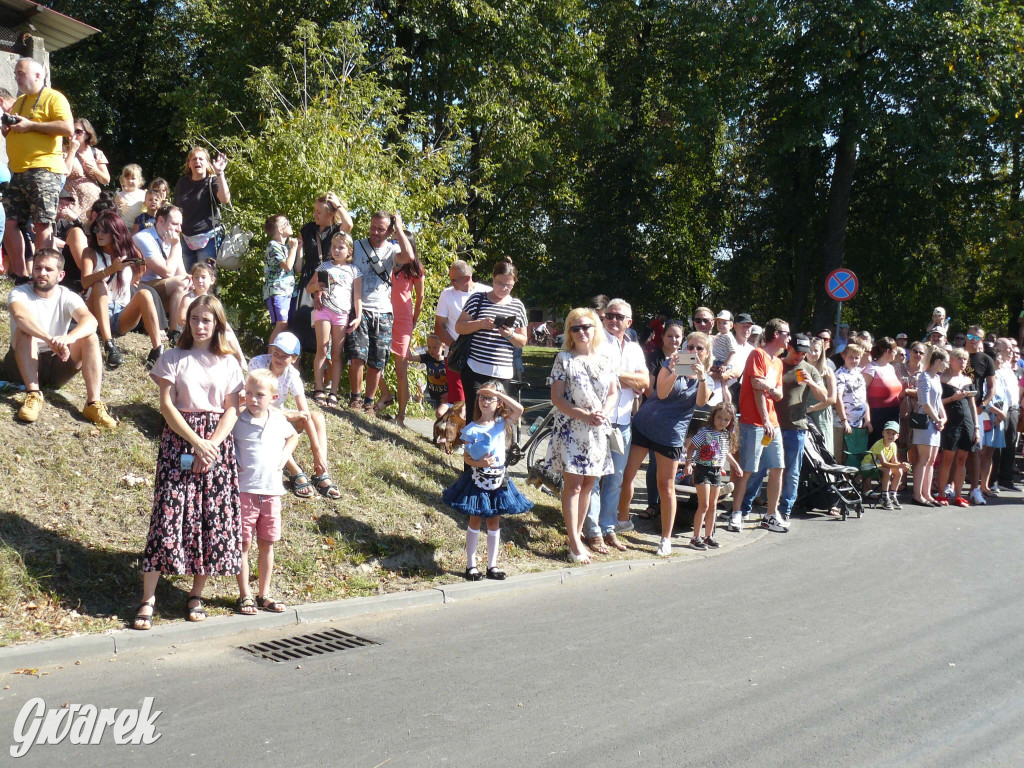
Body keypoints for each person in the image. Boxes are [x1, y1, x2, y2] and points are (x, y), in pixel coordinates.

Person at [133, 295, 245, 630]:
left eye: (206, 320)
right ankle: (147, 599)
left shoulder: (229, 363)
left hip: (216, 444)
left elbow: (232, 409)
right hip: (179, 440)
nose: (199, 326)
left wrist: (210, 445)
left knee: (209, 517)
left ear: (217, 324)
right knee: (167, 512)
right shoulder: (173, 357)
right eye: (195, 319)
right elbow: (167, 406)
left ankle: (196, 594)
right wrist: (195, 443)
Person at [617, 331, 711, 556]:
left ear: (706, 354)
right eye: (690, 347)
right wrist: (677, 370)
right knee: (627, 475)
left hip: (670, 435)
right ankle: (621, 520)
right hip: (645, 424)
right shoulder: (671, 363)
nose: (693, 352)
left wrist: (701, 377)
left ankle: (665, 539)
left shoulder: (705, 376)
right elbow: (662, 391)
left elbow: (701, 402)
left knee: (666, 486)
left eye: (699, 349)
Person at [1, 248, 116, 428]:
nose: (42, 273)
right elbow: (20, 317)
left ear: (61, 275)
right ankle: (33, 394)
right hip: (21, 364)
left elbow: (90, 321)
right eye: (38, 268)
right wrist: (49, 339)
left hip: (57, 363)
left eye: (48, 269)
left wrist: (68, 339)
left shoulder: (67, 296)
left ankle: (93, 403)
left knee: (90, 337)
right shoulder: (19, 292)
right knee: (25, 332)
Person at [541, 308, 618, 563]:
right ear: (569, 333)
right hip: (572, 429)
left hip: (597, 431)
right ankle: (574, 544)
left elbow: (613, 393)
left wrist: (604, 413)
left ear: (595, 328)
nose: (582, 332)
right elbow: (557, 398)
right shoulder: (564, 358)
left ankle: (576, 536)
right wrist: (585, 416)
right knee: (573, 486)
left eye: (586, 326)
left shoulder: (606, 358)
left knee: (588, 485)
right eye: (576, 328)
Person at [442, 382, 532, 580]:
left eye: (489, 398)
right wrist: (480, 462)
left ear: (498, 403)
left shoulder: (501, 424)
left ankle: (492, 565)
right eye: (482, 396)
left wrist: (498, 393)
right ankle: (471, 565)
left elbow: (519, 409)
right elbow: (466, 458)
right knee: (475, 519)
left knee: (494, 521)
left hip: (498, 480)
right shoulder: (472, 428)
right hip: (478, 479)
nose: (484, 400)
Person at [582, 299, 648, 554]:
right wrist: (628, 379)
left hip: (623, 423)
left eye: (619, 317)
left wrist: (616, 373)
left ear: (628, 322)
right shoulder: (596, 343)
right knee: (595, 476)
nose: (613, 320)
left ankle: (608, 528)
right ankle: (593, 531)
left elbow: (644, 381)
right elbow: (596, 372)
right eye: (609, 315)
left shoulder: (634, 349)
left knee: (615, 479)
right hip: (599, 420)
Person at [741, 333, 827, 526]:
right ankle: (744, 507)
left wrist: (811, 382)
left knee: (791, 471)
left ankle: (783, 510)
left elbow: (825, 397)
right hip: (771, 426)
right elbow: (760, 387)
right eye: (797, 352)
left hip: (796, 428)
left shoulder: (809, 369)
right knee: (759, 468)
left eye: (804, 353)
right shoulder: (777, 363)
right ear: (789, 347)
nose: (800, 357)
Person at [233, 369, 298, 615]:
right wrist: (234, 460)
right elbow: (226, 440)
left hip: (271, 492)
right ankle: (245, 595)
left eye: (259, 394)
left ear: (273, 396)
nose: (252, 399)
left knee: (267, 543)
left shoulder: (278, 419)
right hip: (245, 491)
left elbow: (292, 436)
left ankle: (264, 593)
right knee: (243, 543)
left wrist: (284, 457)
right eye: (248, 393)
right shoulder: (237, 419)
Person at [1, 58, 74, 279]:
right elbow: (17, 132)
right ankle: (21, 276)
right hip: (18, 171)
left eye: (20, 73)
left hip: (44, 170)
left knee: (43, 224)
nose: (16, 76)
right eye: (15, 73)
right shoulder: (21, 101)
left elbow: (68, 128)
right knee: (11, 222)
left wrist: (31, 125)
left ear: (38, 75)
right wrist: (7, 130)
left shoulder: (54, 97)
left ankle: (42, 277)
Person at [248, 332, 339, 501]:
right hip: (257, 413)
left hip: (279, 413)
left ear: (294, 358)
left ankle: (321, 470)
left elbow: (304, 413)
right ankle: (295, 472)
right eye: (276, 353)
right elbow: (251, 401)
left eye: (285, 356)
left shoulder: (292, 375)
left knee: (316, 416)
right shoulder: (258, 364)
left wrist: (316, 450)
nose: (278, 358)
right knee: (274, 424)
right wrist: (285, 413)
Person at [345, 211, 414, 412]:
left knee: (377, 360)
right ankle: (355, 399)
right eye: (373, 227)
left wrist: (399, 228)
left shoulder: (393, 250)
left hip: (384, 312)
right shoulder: (357, 246)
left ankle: (369, 402)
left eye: (381, 229)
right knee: (357, 355)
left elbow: (409, 256)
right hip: (359, 309)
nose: (375, 232)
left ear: (390, 231)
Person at [80, 209, 164, 370]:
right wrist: (112, 269)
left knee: (145, 294)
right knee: (99, 284)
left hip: (121, 313)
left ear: (116, 232)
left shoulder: (130, 253)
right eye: (97, 229)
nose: (99, 234)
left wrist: (132, 281)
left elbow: (141, 267)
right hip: (95, 311)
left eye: (105, 230)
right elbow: (85, 282)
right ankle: (109, 345)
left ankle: (157, 349)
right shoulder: (90, 252)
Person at [727, 319, 789, 534]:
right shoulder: (758, 355)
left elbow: (778, 394)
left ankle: (771, 515)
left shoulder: (779, 363)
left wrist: (768, 386)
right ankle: (736, 513)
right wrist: (764, 420)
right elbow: (755, 388)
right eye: (785, 333)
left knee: (778, 468)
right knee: (747, 470)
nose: (789, 338)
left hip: (773, 422)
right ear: (775, 334)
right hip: (754, 422)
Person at [454, 257, 528, 407]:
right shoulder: (478, 299)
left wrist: (511, 335)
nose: (503, 288)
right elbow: (459, 327)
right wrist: (480, 324)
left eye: (509, 285)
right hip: (475, 368)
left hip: (503, 372)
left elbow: (523, 341)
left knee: (498, 418)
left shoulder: (517, 306)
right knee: (474, 414)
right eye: (499, 283)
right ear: (493, 279)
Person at [306, 231, 362, 406]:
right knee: (322, 349)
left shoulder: (354, 270)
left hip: (342, 313)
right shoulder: (324, 266)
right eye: (334, 247)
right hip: (323, 310)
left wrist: (358, 316)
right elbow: (309, 288)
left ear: (349, 251)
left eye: (341, 247)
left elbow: (357, 297)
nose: (337, 250)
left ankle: (334, 392)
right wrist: (316, 287)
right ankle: (319, 388)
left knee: (337, 354)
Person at [377, 236, 425, 426]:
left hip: (404, 321)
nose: (395, 245)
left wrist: (413, 320)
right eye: (393, 241)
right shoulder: (384, 262)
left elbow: (420, 296)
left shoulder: (415, 269)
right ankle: (386, 395)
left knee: (401, 369)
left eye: (399, 242)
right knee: (373, 360)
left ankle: (401, 415)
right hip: (382, 315)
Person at [683, 402, 742, 550]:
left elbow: (726, 453)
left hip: (717, 472)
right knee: (704, 504)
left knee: (713, 505)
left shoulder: (726, 435)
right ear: (713, 417)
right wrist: (688, 463)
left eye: (726, 420)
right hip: (703, 469)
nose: (722, 422)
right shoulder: (705, 431)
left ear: (731, 422)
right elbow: (691, 447)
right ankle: (695, 537)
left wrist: (736, 466)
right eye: (719, 417)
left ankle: (708, 536)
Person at [434, 262, 489, 407]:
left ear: (467, 278)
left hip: (481, 355)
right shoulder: (447, 294)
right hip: (456, 357)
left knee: (482, 401)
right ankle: (458, 430)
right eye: (450, 279)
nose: (451, 283)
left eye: (454, 280)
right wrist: (455, 347)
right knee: (459, 403)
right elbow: (439, 327)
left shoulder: (486, 292)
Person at [133, 204, 191, 339]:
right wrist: (175, 245)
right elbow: (168, 272)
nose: (179, 229)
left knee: (192, 283)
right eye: (175, 224)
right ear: (160, 221)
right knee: (182, 283)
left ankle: (181, 331)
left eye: (180, 225)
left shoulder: (172, 238)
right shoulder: (144, 238)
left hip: (160, 285)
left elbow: (181, 273)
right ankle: (174, 330)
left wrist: (192, 281)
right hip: (142, 286)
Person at [177, 261, 247, 370]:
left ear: (212, 280)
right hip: (191, 332)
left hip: (210, 332)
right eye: (196, 277)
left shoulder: (212, 301)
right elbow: (181, 319)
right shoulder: (188, 297)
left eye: (203, 277)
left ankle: (240, 359)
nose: (199, 281)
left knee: (227, 330)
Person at [935, 348, 979, 507]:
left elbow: (972, 405)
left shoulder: (968, 380)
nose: (963, 362)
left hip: (967, 421)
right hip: (950, 421)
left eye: (965, 359)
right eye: (959, 358)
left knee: (962, 459)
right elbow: (937, 402)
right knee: (947, 459)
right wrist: (954, 398)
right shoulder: (942, 379)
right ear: (951, 360)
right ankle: (941, 494)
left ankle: (959, 495)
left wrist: (977, 426)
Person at [175, 147, 231, 271]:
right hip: (185, 239)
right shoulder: (182, 183)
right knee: (188, 279)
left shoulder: (213, 181)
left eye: (201, 159)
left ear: (207, 163)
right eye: (194, 159)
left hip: (208, 238)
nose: (197, 162)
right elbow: (176, 210)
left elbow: (225, 199)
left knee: (206, 278)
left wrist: (220, 173)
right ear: (189, 164)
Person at [964, 325, 997, 505]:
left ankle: (975, 489)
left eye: (976, 336)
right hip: (955, 407)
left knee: (975, 450)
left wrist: (983, 405)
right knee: (953, 451)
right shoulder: (957, 355)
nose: (972, 339)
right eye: (969, 335)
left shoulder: (986, 360)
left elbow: (992, 387)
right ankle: (951, 487)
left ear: (982, 340)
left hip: (976, 409)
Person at [911, 346, 948, 506]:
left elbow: (938, 401)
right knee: (923, 460)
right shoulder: (924, 377)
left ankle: (927, 494)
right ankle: (917, 495)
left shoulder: (936, 378)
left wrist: (943, 417)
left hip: (934, 423)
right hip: (925, 422)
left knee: (932, 460)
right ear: (938, 361)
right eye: (945, 362)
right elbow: (925, 403)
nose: (946, 365)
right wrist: (936, 419)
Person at [62, 118, 110, 217]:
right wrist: (72, 150)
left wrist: (94, 170)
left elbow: (106, 180)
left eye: (78, 131)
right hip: (72, 202)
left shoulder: (96, 153)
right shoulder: (63, 151)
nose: (74, 134)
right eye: (72, 131)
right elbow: (64, 173)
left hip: (93, 203)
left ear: (87, 134)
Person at [262, 214, 298, 344]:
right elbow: (288, 266)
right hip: (277, 291)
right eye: (286, 223)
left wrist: (299, 248)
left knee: (287, 326)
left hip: (289, 292)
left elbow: (297, 267)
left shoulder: (287, 247)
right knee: (281, 324)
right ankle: (270, 356)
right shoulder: (273, 245)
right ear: (279, 229)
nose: (290, 224)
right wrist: (294, 248)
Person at [834, 342, 870, 464]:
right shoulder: (840, 374)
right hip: (842, 424)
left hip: (858, 423)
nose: (853, 360)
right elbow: (837, 398)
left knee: (854, 457)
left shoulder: (859, 373)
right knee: (841, 456)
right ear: (844, 356)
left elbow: (864, 399)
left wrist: (868, 420)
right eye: (850, 357)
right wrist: (844, 421)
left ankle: (851, 481)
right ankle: (841, 482)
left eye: (857, 357)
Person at [860, 421, 910, 509]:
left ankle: (892, 495)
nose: (890, 436)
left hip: (878, 466)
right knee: (887, 470)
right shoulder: (879, 444)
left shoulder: (894, 445)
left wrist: (902, 465)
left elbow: (894, 462)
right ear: (883, 433)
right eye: (888, 433)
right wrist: (899, 465)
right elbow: (884, 463)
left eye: (893, 434)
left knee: (899, 471)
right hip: (868, 466)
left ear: (897, 436)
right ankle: (884, 497)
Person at [863, 337, 902, 446]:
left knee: (890, 447)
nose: (896, 355)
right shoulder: (871, 368)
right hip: (877, 415)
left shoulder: (891, 368)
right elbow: (861, 394)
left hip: (893, 413)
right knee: (876, 446)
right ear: (888, 351)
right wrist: (867, 418)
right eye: (895, 352)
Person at [806, 335, 838, 455]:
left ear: (821, 352)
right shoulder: (801, 369)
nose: (812, 353)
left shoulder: (827, 371)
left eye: (816, 350)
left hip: (821, 413)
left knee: (824, 448)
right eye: (809, 350)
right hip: (804, 413)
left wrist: (811, 408)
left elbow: (832, 398)